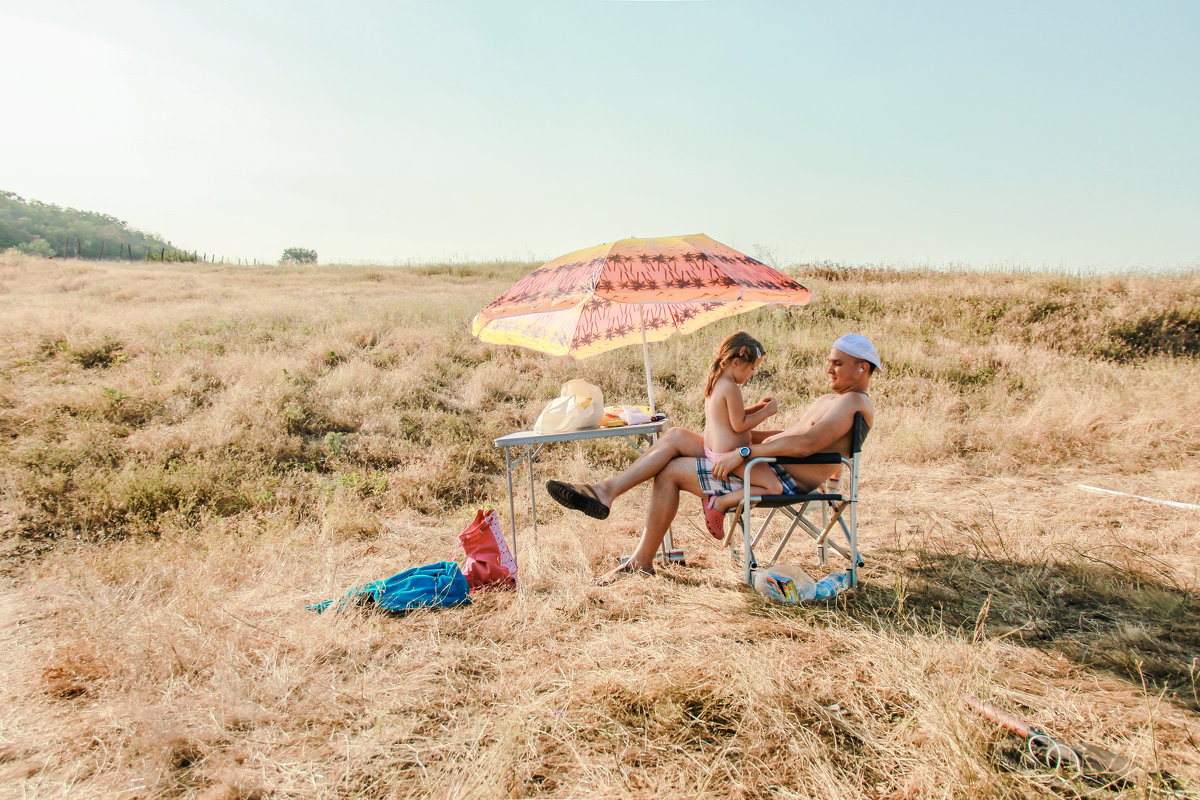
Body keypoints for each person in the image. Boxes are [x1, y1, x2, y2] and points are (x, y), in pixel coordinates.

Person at [547, 333, 881, 585]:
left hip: (776, 477)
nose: (829, 369)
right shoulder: (831, 400)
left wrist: (744, 450)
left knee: (671, 472)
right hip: (763, 464)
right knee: (677, 435)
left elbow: (806, 444)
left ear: (862, 367)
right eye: (830, 361)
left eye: (837, 363)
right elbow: (789, 437)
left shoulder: (853, 403)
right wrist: (737, 439)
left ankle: (640, 560)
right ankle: (606, 491)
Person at [699, 332, 779, 538]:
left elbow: (733, 416)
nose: (752, 373)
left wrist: (758, 407)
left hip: (716, 451)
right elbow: (739, 425)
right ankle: (720, 503)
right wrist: (766, 412)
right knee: (774, 487)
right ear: (736, 362)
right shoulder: (732, 388)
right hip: (731, 456)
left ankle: (721, 498)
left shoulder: (718, 382)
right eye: (752, 368)